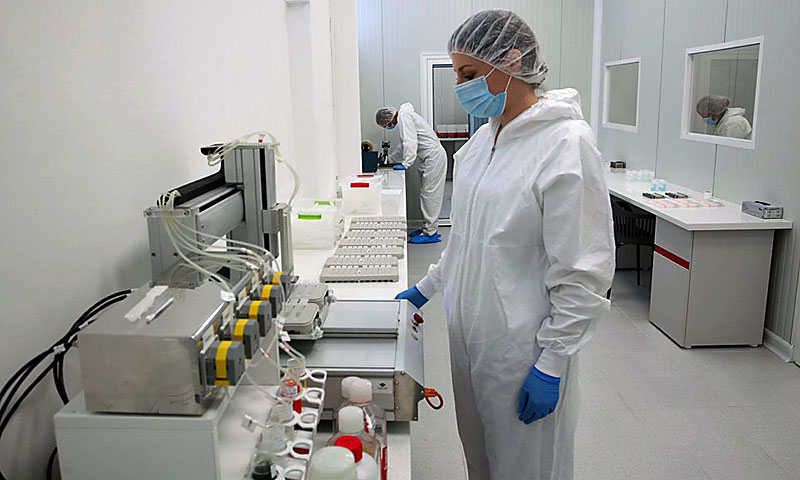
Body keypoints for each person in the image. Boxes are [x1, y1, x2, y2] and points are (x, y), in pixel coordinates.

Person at [395, 9, 614, 480]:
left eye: (468, 74)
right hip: (469, 338)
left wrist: (553, 360)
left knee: (526, 467)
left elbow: (583, 269)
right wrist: (425, 289)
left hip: (522, 347)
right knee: (480, 458)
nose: (460, 87)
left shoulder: (565, 143)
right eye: (457, 75)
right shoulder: (480, 144)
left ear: (512, 62)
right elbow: (468, 239)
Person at [375, 103, 447, 244]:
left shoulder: (404, 117)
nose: (388, 127)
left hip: (434, 157)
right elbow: (403, 146)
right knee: (427, 194)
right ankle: (426, 228)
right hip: (430, 158)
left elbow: (410, 142)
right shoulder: (405, 117)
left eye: (386, 125)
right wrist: (390, 159)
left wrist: (406, 163)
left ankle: (430, 232)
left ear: (388, 119)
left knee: (430, 195)